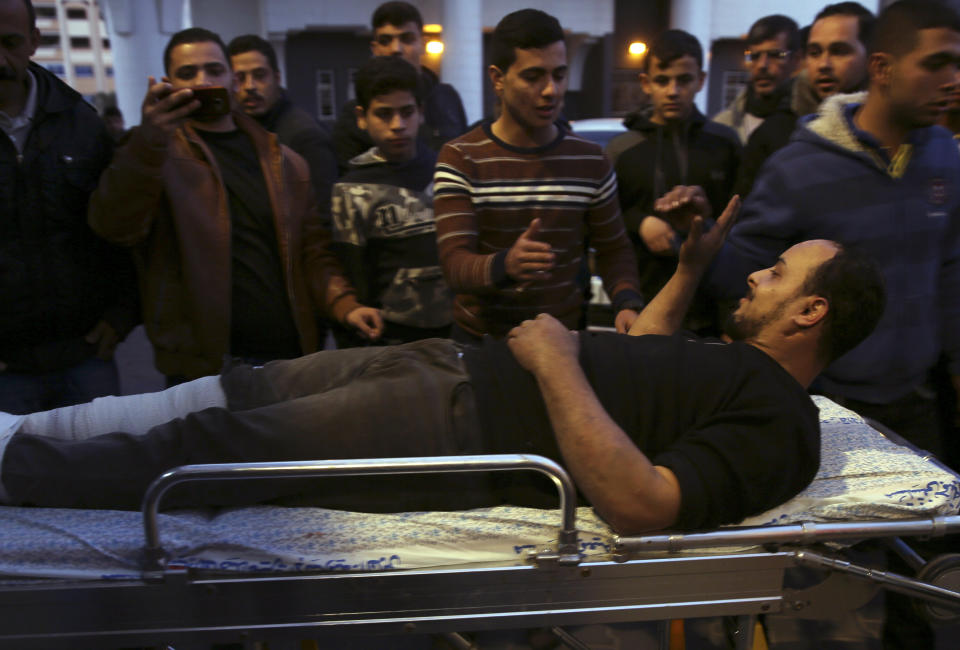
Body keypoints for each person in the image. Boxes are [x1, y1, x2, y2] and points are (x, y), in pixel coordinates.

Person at [0, 195, 889, 536]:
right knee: (245, 388)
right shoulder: (736, 364)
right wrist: (690, 267)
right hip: (453, 366)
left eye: (778, 276)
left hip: (468, 420)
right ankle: (28, 433)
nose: (757, 276)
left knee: (227, 442)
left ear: (811, 312)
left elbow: (642, 503)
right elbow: (653, 362)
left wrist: (553, 361)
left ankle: (14, 467)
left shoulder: (784, 424)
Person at [702, 0, 960, 461]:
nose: (953, 79)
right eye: (936, 63)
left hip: (921, 402)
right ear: (882, 68)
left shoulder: (944, 155)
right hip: (825, 407)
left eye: (957, 64)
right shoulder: (797, 167)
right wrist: (698, 241)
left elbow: (952, 271)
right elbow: (738, 277)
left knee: (929, 531)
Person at [88, 27, 382, 383]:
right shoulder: (153, 153)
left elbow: (312, 253)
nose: (203, 81)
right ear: (168, 83)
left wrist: (345, 304)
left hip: (287, 355)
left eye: (214, 70)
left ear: (231, 78)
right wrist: (150, 143)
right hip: (204, 366)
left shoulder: (283, 160)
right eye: (188, 73)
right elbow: (115, 226)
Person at [434, 9, 644, 341]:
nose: (550, 90)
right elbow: (455, 265)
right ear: (497, 79)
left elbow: (614, 249)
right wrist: (506, 265)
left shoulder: (590, 160)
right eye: (533, 77)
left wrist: (626, 302)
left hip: (562, 338)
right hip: (482, 342)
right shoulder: (461, 157)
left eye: (559, 75)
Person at [0, 0, 137, 413]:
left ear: (34, 42)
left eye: (9, 42)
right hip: (7, 368)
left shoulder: (83, 125)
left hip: (85, 356)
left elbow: (117, 229)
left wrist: (122, 315)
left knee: (100, 472)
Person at [605, 29, 740, 334]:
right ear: (646, 83)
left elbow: (743, 220)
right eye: (662, 80)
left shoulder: (725, 143)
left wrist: (706, 217)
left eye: (684, 80)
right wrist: (640, 222)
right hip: (644, 299)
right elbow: (603, 223)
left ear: (701, 80)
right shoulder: (622, 150)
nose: (673, 91)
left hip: (711, 305)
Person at [329, 56, 452, 347]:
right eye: (384, 114)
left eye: (407, 112)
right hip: (389, 339)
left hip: (454, 332)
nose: (398, 125)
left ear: (421, 112)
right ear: (362, 117)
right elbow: (354, 277)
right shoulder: (351, 190)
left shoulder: (448, 171)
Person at [734, 2, 874, 197]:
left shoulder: (897, 130)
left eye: (839, 51)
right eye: (815, 53)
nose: (823, 64)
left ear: (873, 58)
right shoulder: (775, 136)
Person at [331, 1, 467, 173]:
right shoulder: (354, 114)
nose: (396, 49)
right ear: (375, 48)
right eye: (386, 40)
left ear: (423, 44)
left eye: (407, 39)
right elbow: (348, 180)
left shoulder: (447, 98)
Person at [227, 34, 339, 221]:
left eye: (260, 75)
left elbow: (324, 217)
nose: (250, 86)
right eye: (239, 78)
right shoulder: (240, 128)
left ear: (277, 78)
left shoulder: (306, 137)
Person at [712, 15, 802, 145]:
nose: (762, 65)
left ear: (797, 59)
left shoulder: (810, 125)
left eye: (775, 55)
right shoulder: (723, 126)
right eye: (754, 56)